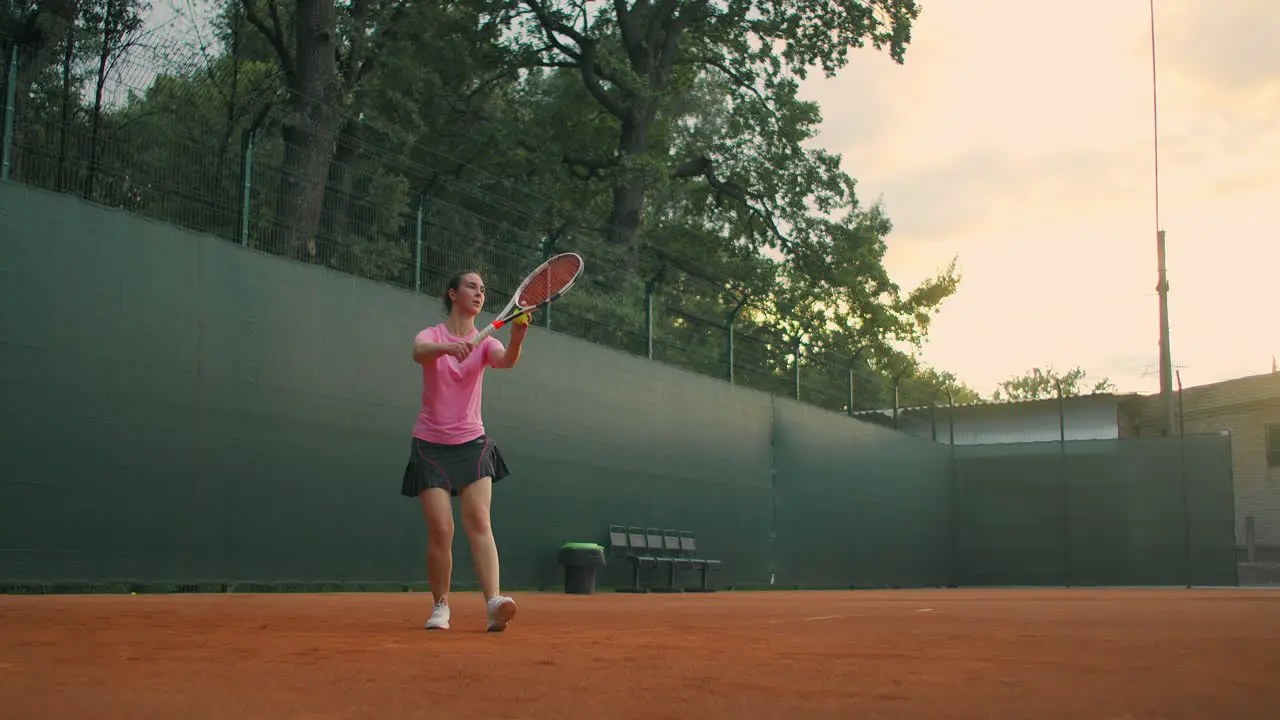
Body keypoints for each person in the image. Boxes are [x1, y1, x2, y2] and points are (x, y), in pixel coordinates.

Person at [401, 269, 530, 632]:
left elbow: (506, 360)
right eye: (471, 286)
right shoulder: (433, 335)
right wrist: (448, 347)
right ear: (452, 293)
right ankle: (440, 605)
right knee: (442, 530)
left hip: (472, 444)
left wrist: (518, 338)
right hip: (430, 445)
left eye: (483, 290)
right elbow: (418, 353)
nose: (479, 293)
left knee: (480, 521)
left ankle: (493, 603)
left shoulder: (485, 342)